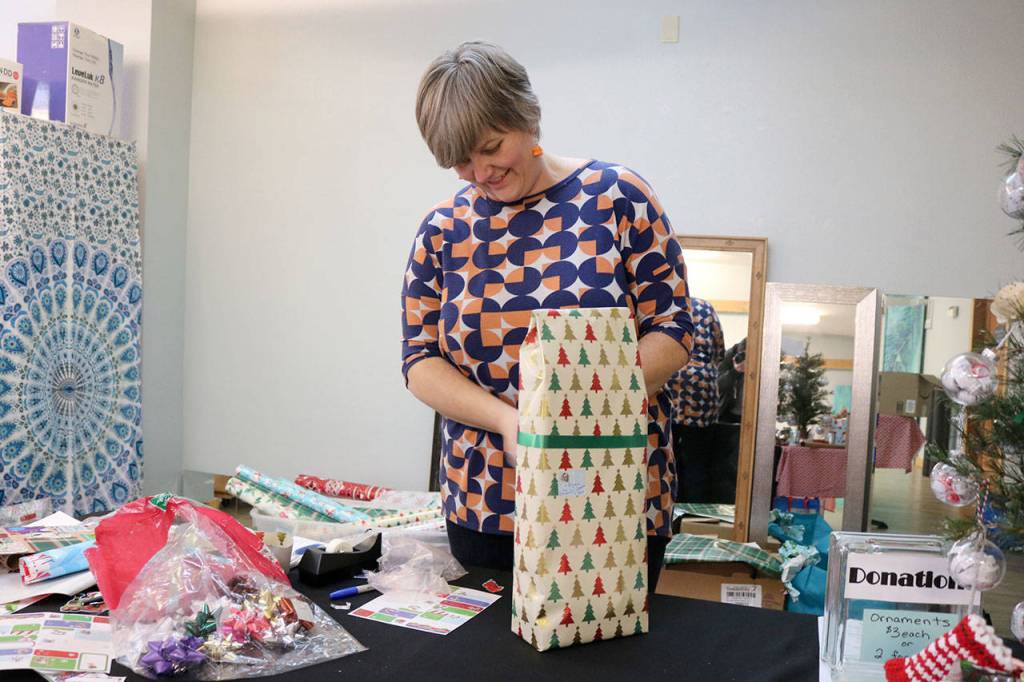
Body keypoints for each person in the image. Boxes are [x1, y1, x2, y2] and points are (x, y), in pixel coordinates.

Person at [401, 41, 693, 590]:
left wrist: (574, 410)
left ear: (527, 117)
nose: (480, 172)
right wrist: (509, 422)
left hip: (613, 489)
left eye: (491, 148)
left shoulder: (619, 198)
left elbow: (673, 331)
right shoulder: (442, 230)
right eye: (461, 162)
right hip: (487, 497)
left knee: (611, 638)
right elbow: (419, 361)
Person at [663, 298, 724, 503]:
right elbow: (720, 351)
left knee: (669, 457)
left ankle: (671, 508)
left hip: (670, 380)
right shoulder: (706, 307)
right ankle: (695, 512)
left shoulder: (669, 305)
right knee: (698, 461)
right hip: (701, 390)